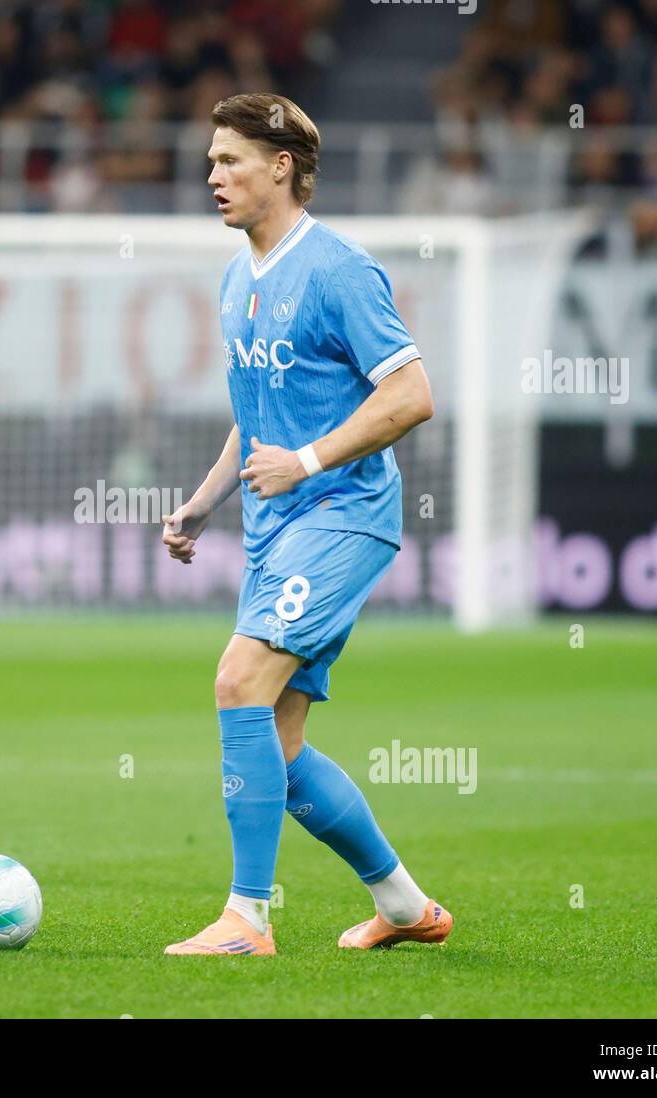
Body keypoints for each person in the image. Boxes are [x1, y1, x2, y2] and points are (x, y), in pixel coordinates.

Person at [161, 94, 451, 954]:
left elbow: (411, 396)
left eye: (230, 161)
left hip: (343, 512)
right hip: (274, 524)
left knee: (236, 682)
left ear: (281, 166)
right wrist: (205, 501)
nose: (213, 177)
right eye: (211, 162)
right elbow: (258, 418)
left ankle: (247, 918)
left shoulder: (338, 271)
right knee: (278, 751)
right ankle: (405, 908)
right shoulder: (236, 275)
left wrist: (311, 462)